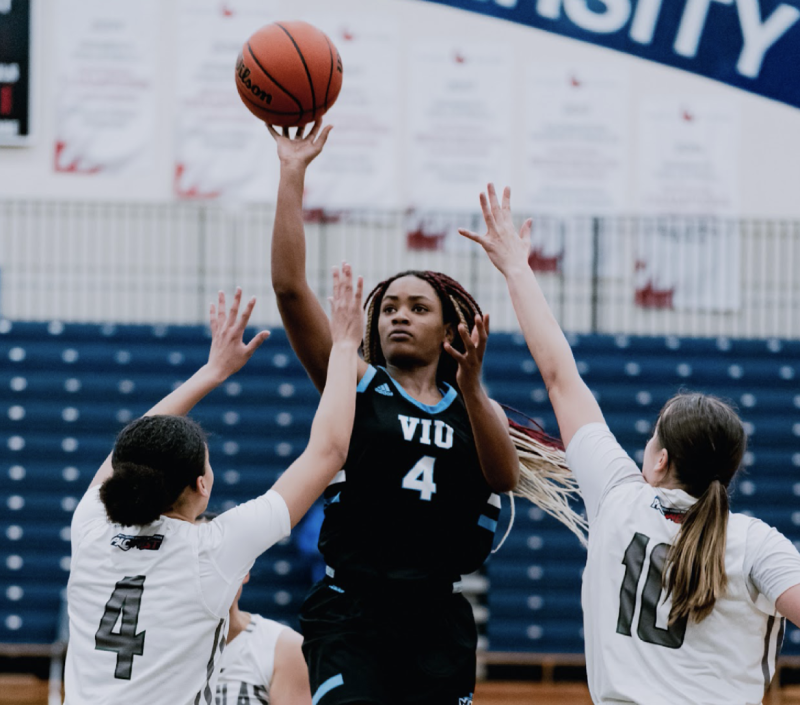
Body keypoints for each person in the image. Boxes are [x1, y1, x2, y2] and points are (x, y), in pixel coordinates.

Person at [267, 123, 585, 705]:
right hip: (353, 614)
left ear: (449, 330)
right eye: (388, 307)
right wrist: (292, 174)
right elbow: (289, 290)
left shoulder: (472, 405)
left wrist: (473, 387)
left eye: (417, 308)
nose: (398, 317)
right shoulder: (354, 380)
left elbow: (504, 477)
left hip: (435, 620)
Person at [460, 183, 800, 704]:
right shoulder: (758, 544)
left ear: (660, 460)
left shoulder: (618, 498)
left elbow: (559, 375)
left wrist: (515, 268)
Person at [64, 268, 363, 705]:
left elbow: (133, 443)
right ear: (202, 485)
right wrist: (343, 346)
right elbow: (329, 451)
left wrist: (212, 372)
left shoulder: (90, 528)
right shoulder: (211, 549)